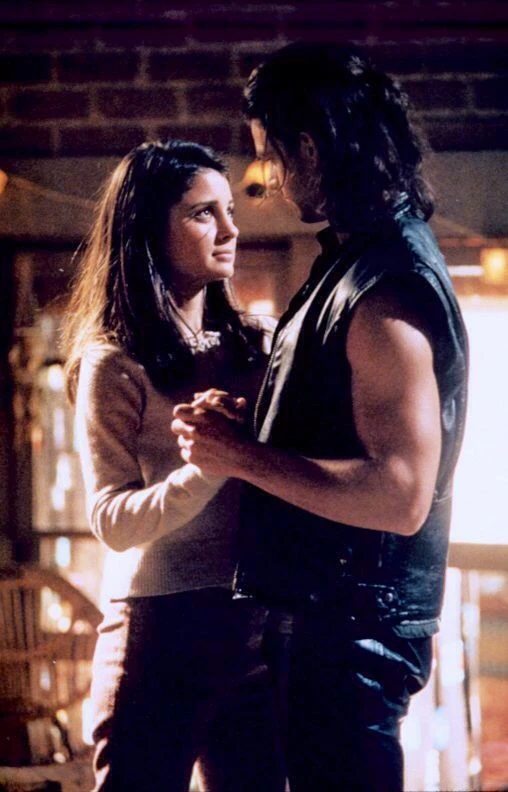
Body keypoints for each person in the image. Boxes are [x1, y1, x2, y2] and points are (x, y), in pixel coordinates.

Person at [171, 43, 469, 792]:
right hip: (328, 625)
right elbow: (344, 424)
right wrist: (253, 425)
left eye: (271, 154)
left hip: (349, 635)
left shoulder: (384, 284)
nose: (268, 177)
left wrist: (240, 456)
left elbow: (398, 494)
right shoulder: (353, 263)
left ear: (308, 148)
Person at [62, 139, 286, 792]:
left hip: (257, 622)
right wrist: (211, 464)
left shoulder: (260, 344)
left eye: (229, 209)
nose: (230, 229)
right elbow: (112, 521)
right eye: (202, 213)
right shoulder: (113, 361)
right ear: (149, 230)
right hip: (158, 631)